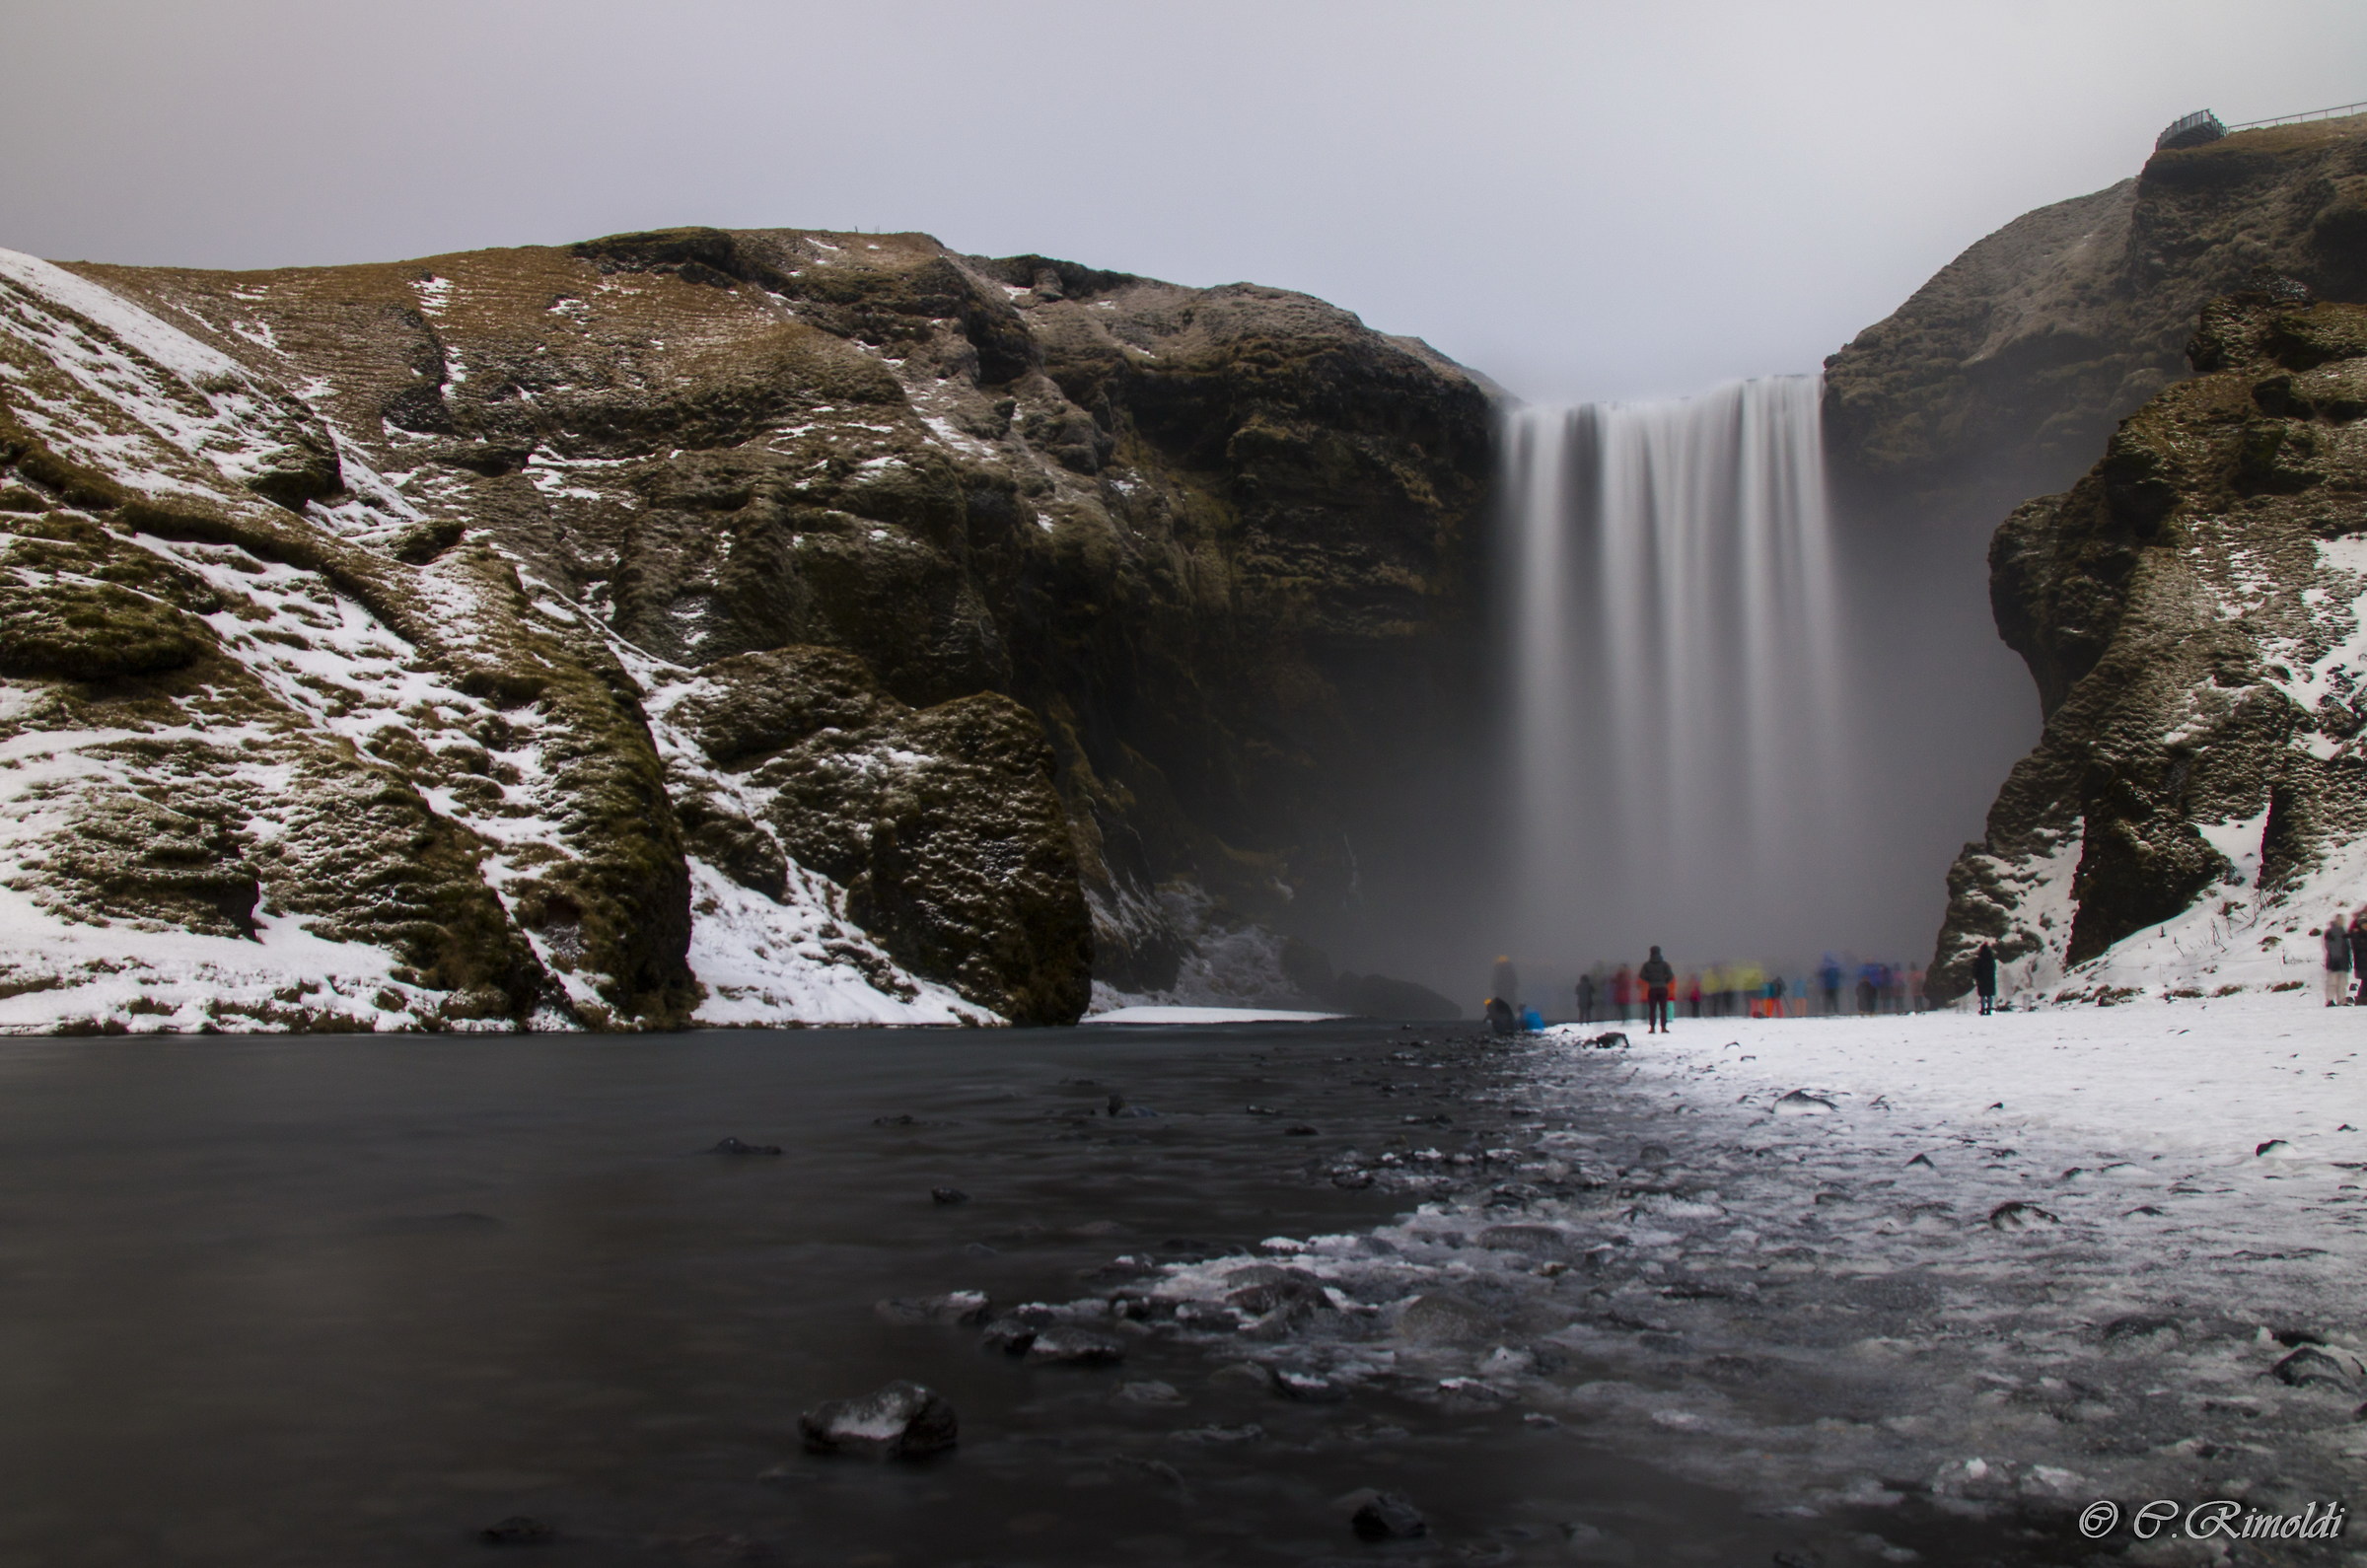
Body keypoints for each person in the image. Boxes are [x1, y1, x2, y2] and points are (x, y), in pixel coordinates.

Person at [1639, 945, 1675, 1034]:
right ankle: (1663, 1027)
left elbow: (1642, 975)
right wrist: (1664, 981)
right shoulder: (1664, 964)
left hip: (1652, 989)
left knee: (1652, 1009)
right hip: (1662, 988)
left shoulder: (1647, 965)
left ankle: (1652, 1028)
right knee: (1663, 1009)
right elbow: (1670, 976)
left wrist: (1650, 980)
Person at [2329, 913, 2355, 1007]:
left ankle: (2341, 1000)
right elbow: (2331, 947)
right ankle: (2330, 1000)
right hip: (2334, 962)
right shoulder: (2331, 932)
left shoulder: (2343, 932)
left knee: (2342, 983)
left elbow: (2347, 948)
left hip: (2343, 962)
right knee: (2332, 983)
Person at [1972, 942, 1999, 1015]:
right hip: (1990, 979)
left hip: (1981, 979)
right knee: (1989, 995)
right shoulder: (1991, 959)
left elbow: (1976, 969)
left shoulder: (1979, 959)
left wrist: (1976, 977)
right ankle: (1989, 1009)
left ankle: (1983, 1009)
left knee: (1983, 995)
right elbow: (1994, 968)